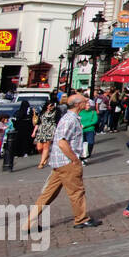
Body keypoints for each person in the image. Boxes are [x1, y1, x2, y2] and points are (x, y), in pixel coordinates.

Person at [26, 94, 101, 230]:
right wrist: (74, 159)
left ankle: (29, 223)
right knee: (77, 191)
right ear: (78, 104)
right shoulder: (70, 120)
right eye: (84, 101)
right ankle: (81, 219)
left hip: (59, 162)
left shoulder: (69, 118)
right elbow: (62, 142)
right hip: (67, 162)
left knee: (48, 193)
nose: (87, 102)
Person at [34, 100, 59, 169]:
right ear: (47, 106)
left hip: (50, 129)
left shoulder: (56, 112)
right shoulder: (42, 112)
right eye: (51, 105)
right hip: (41, 130)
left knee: (46, 147)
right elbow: (38, 123)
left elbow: (58, 121)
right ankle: (46, 155)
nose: (52, 107)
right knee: (39, 148)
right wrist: (34, 132)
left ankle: (41, 163)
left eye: (53, 105)